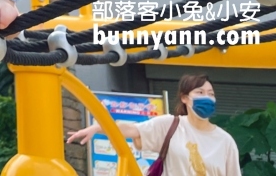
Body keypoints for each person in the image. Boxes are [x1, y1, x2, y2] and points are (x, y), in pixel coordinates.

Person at [67, 74, 241, 176]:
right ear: (185, 98)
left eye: (211, 94)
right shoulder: (170, 124)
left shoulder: (225, 141)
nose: (207, 98)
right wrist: (99, 126)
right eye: (200, 92)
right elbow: (132, 130)